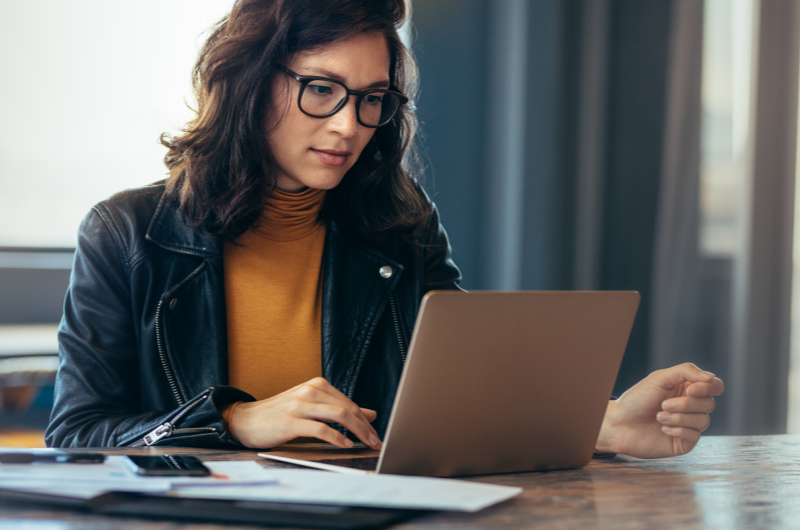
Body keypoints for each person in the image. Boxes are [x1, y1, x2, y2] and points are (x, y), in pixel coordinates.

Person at [45, 0, 723, 459]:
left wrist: (601, 423)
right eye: (321, 89)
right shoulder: (127, 233)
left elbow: (459, 399)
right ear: (250, 82)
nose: (348, 125)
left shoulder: (400, 222)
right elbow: (76, 435)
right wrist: (231, 422)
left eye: (372, 99)